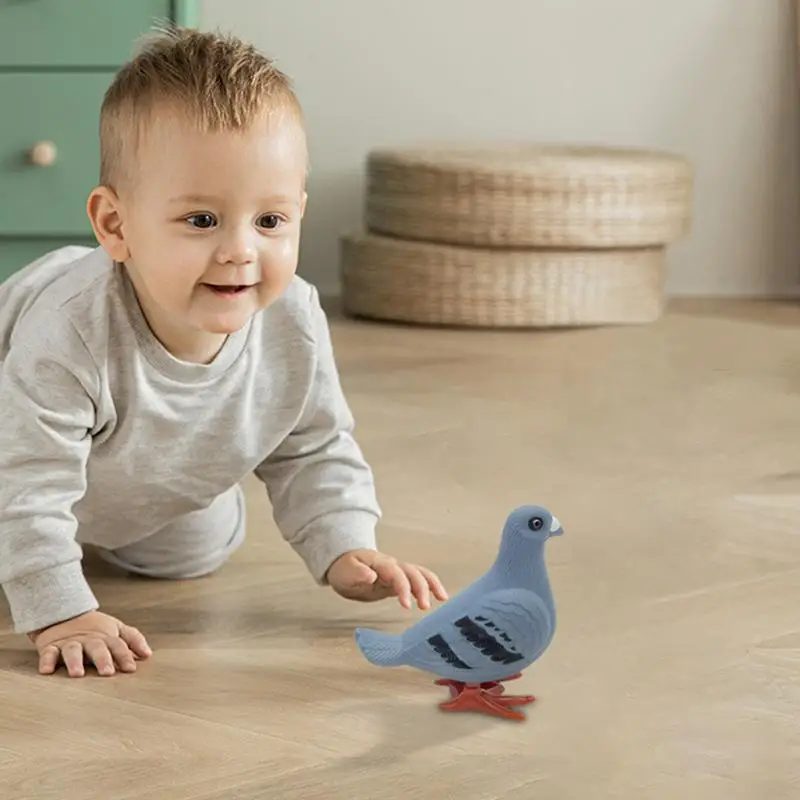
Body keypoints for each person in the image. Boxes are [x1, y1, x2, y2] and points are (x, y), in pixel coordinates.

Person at [0, 26, 447, 679]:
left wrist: (345, 546)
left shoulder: (293, 316)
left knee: (194, 549)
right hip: (10, 451)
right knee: (21, 527)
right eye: (203, 220)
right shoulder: (67, 333)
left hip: (147, 473)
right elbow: (27, 479)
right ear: (115, 226)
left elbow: (313, 445)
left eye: (269, 222)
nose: (241, 250)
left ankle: (154, 495)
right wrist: (59, 610)